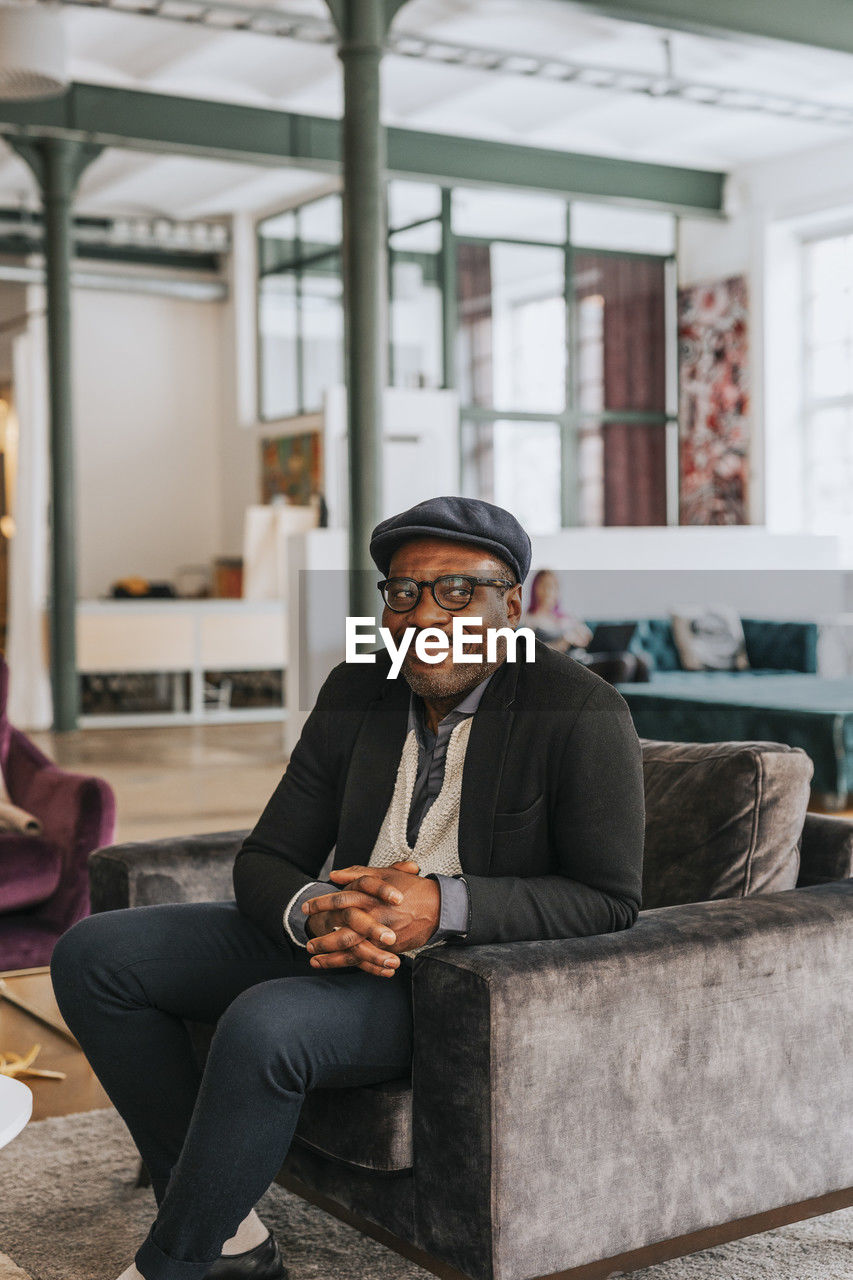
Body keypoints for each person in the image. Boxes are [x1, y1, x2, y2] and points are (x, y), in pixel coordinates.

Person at [50, 495, 645, 1280]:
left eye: (458, 590)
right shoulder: (356, 688)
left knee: (268, 1024)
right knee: (95, 954)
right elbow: (266, 855)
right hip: (339, 938)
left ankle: (176, 1264)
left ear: (515, 603)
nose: (428, 614)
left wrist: (444, 905)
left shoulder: (580, 710)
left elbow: (608, 898)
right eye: (404, 591)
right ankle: (228, 1235)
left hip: (456, 978)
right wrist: (313, 910)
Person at [523, 568, 650, 683]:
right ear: (535, 589)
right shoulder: (529, 620)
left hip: (586, 658)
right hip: (570, 665)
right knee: (622, 663)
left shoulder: (569, 618)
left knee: (642, 661)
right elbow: (530, 654)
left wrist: (586, 637)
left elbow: (589, 639)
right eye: (544, 586)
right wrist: (563, 642)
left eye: (553, 587)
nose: (549, 592)